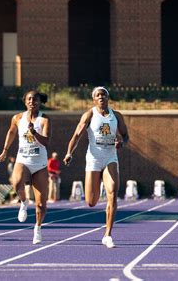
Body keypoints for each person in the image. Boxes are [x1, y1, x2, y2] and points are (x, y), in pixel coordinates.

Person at [63, 87, 129, 248]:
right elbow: (77, 135)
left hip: (110, 157)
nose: (101, 97)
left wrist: (122, 143)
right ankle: (97, 183)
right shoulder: (89, 115)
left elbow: (126, 136)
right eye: (97, 95)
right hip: (93, 158)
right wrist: (69, 153)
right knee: (91, 202)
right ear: (93, 99)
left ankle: (108, 234)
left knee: (112, 192)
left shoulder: (116, 116)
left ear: (108, 98)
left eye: (103, 95)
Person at [0, 91, 51, 244]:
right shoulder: (17, 118)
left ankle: (38, 228)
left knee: (41, 204)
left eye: (35, 99)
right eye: (29, 99)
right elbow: (11, 132)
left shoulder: (44, 119)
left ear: (40, 102)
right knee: (16, 182)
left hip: (39, 163)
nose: (32, 101)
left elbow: (46, 142)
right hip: (23, 159)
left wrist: (35, 133)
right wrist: (5, 150)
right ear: (25, 101)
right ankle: (24, 201)